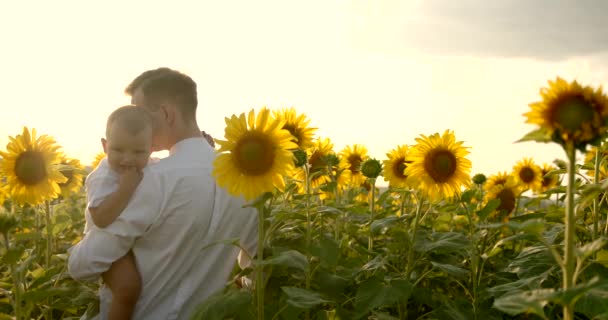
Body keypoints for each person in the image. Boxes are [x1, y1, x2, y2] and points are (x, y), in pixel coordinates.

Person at [68, 68, 259, 319]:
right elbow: (255, 273)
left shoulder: (150, 180)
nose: (133, 122)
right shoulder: (247, 180)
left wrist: (80, 247)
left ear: (166, 113)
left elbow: (84, 265)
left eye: (139, 112)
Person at [83, 105, 156, 320]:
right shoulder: (102, 177)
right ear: (105, 146)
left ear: (151, 149)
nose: (128, 159)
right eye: (118, 150)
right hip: (107, 245)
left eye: (138, 152)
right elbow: (101, 218)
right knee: (128, 289)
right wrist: (125, 188)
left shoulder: (150, 166)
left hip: (128, 241)